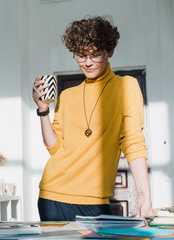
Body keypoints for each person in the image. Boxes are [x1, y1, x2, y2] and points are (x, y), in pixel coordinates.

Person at [32, 15, 153, 221]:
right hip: (52, 195)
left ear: (110, 51)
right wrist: (43, 110)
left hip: (95, 200)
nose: (87, 63)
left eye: (95, 55)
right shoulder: (68, 95)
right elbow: (55, 147)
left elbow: (133, 141)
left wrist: (145, 195)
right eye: (81, 55)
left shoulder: (126, 86)